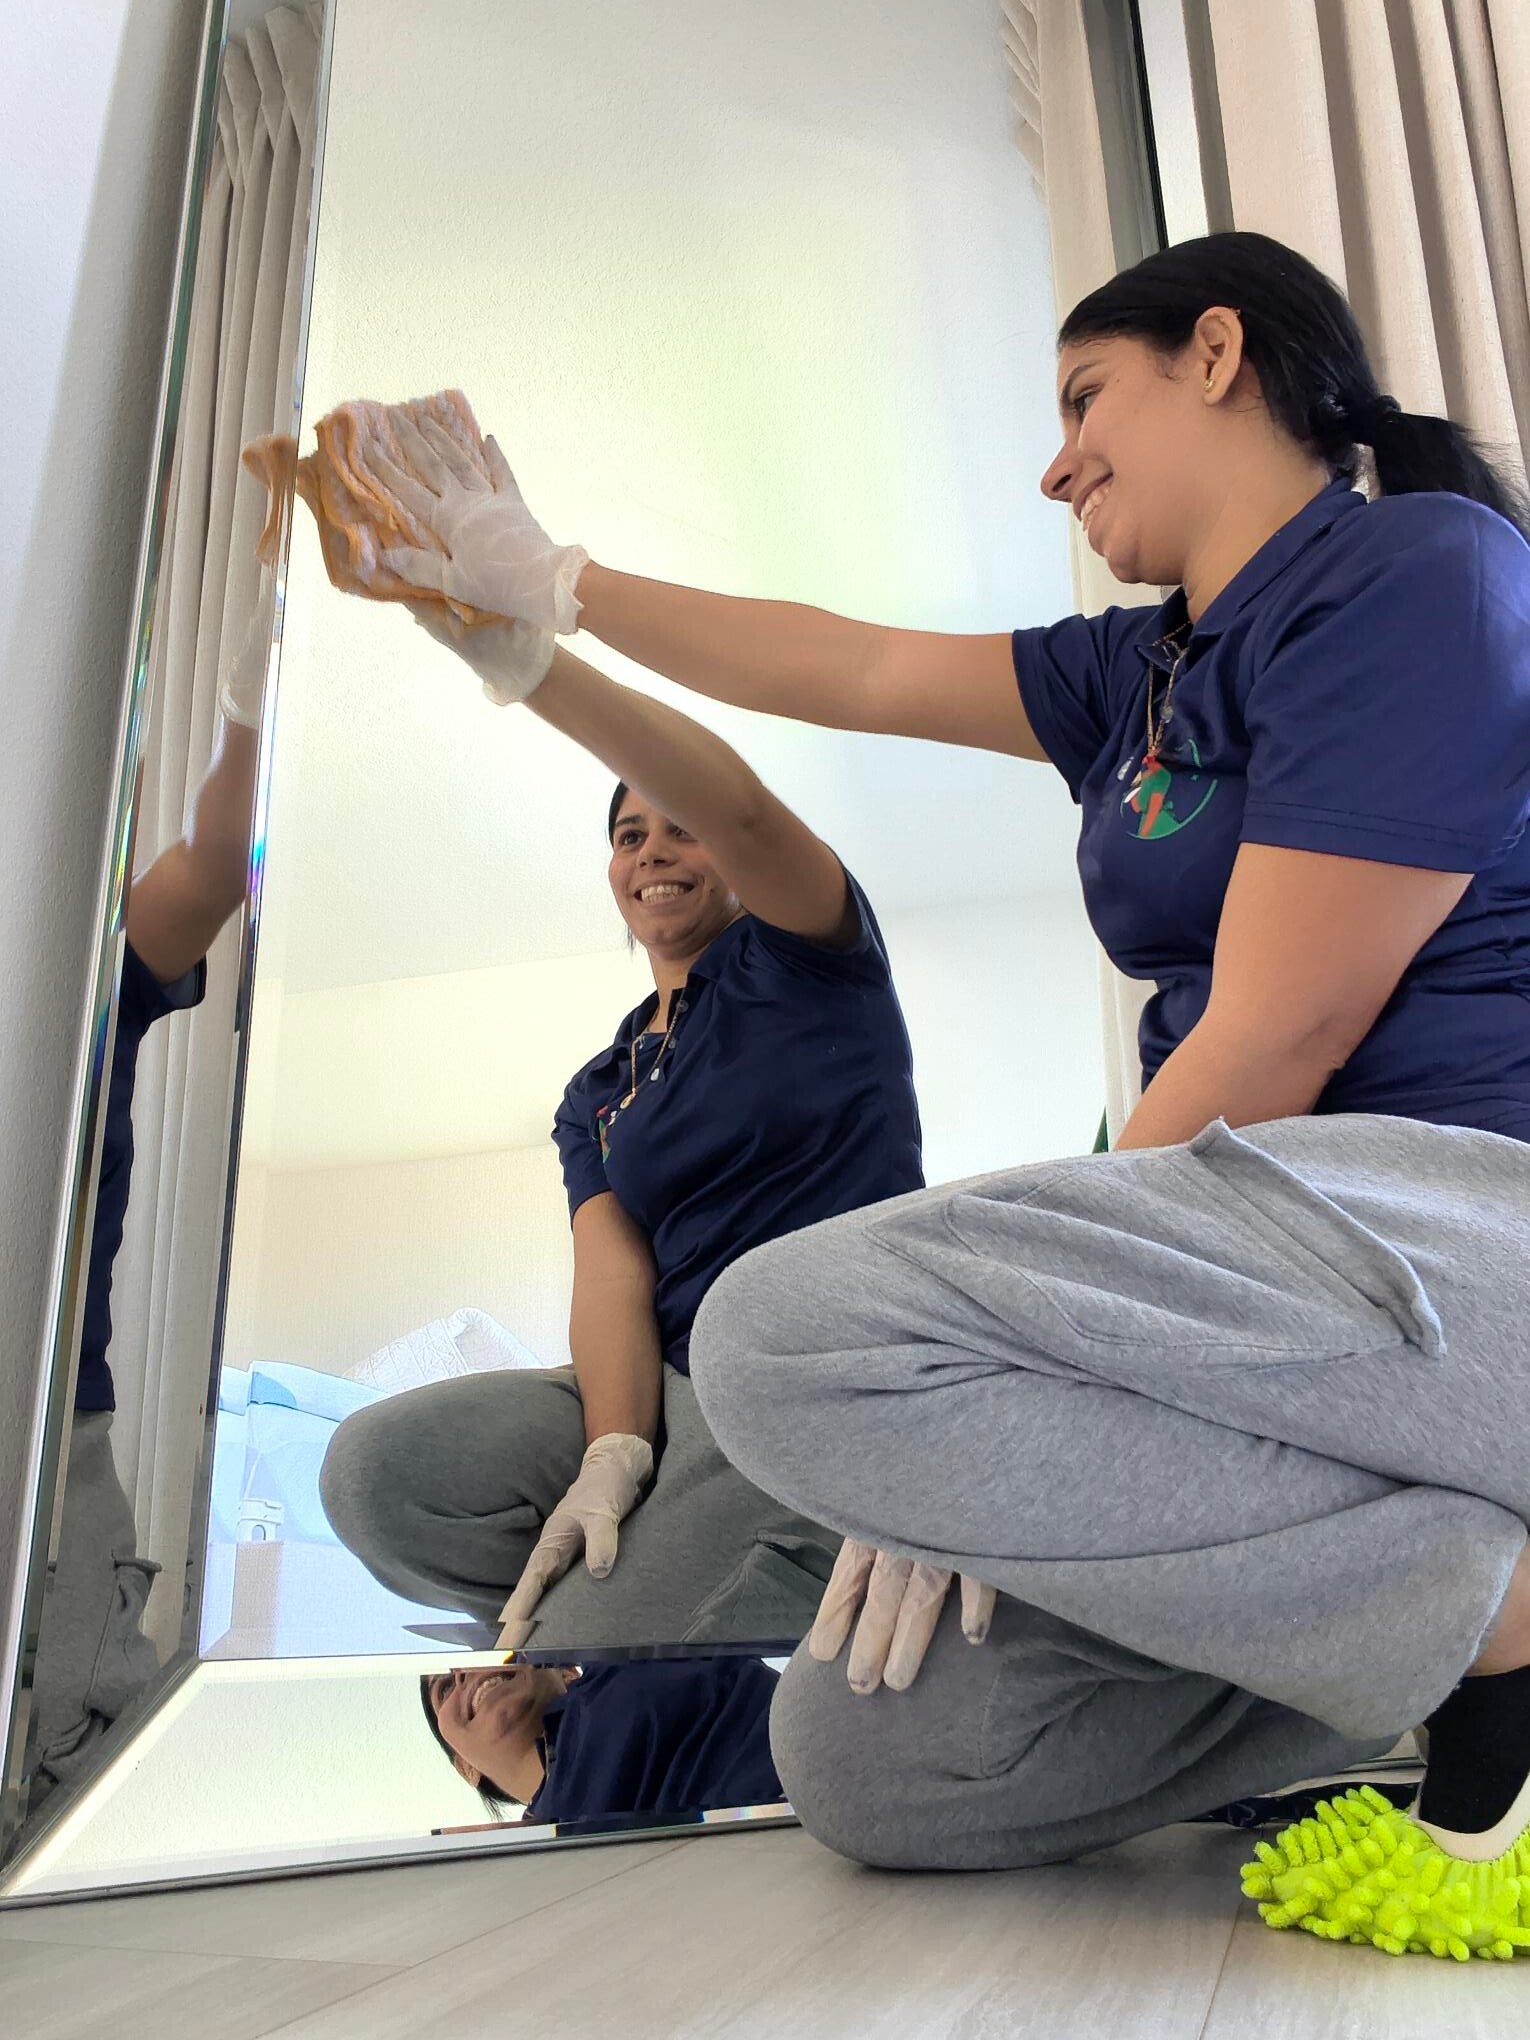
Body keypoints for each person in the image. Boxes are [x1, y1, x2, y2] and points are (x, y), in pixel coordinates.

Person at [360, 230, 1530, 1961]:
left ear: (1217, 354)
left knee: (773, 1334)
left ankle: (1497, 1640)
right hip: (1267, 1292)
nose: (1058, 464)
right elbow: (850, 668)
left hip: (1448, 1235)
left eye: (1084, 399)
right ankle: (1409, 1678)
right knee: (868, 1764)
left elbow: (1277, 1038)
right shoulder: (1135, 675)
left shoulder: (1418, 570)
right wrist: (555, 582)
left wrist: (1004, 1387)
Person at [318, 627, 924, 1651]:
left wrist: (532, 646)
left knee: (594, 1652)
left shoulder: (808, 958)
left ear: (729, 852)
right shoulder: (598, 1088)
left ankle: (732, 1578)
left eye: (682, 826)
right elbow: (611, 1277)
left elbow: (744, 809)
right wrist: (612, 1452)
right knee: (377, 1473)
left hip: (804, 1379)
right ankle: (639, 1584)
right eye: (630, 833)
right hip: (664, 1383)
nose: (653, 850)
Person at [24, 542, 272, 1817]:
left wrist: (247, 700)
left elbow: (219, 868)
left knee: (72, 1781)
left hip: (55, 1437)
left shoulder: (84, 981)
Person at [421, 1656, 784, 1826]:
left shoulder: (618, 1659)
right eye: (446, 1687)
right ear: (465, 1768)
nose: (464, 1669)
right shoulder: (548, 1864)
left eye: (476, 1653)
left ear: (566, 1670)